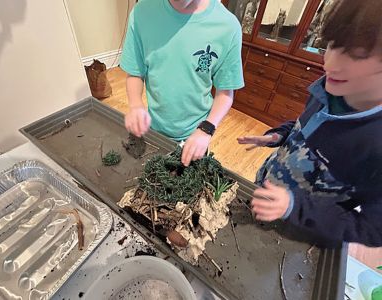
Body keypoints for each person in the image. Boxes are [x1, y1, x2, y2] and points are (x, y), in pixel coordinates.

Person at [238, 0, 382, 247]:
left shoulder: (375, 144)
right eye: (332, 46)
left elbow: (373, 229)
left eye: (356, 55)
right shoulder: (330, 89)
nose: (330, 64)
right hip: (266, 194)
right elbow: (305, 128)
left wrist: (295, 207)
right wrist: (279, 136)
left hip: (301, 237)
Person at [120, 0, 244, 166]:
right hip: (153, 132)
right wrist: (135, 104)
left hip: (196, 137)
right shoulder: (141, 12)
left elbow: (225, 92)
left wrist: (207, 129)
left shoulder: (227, 26)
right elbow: (135, 72)